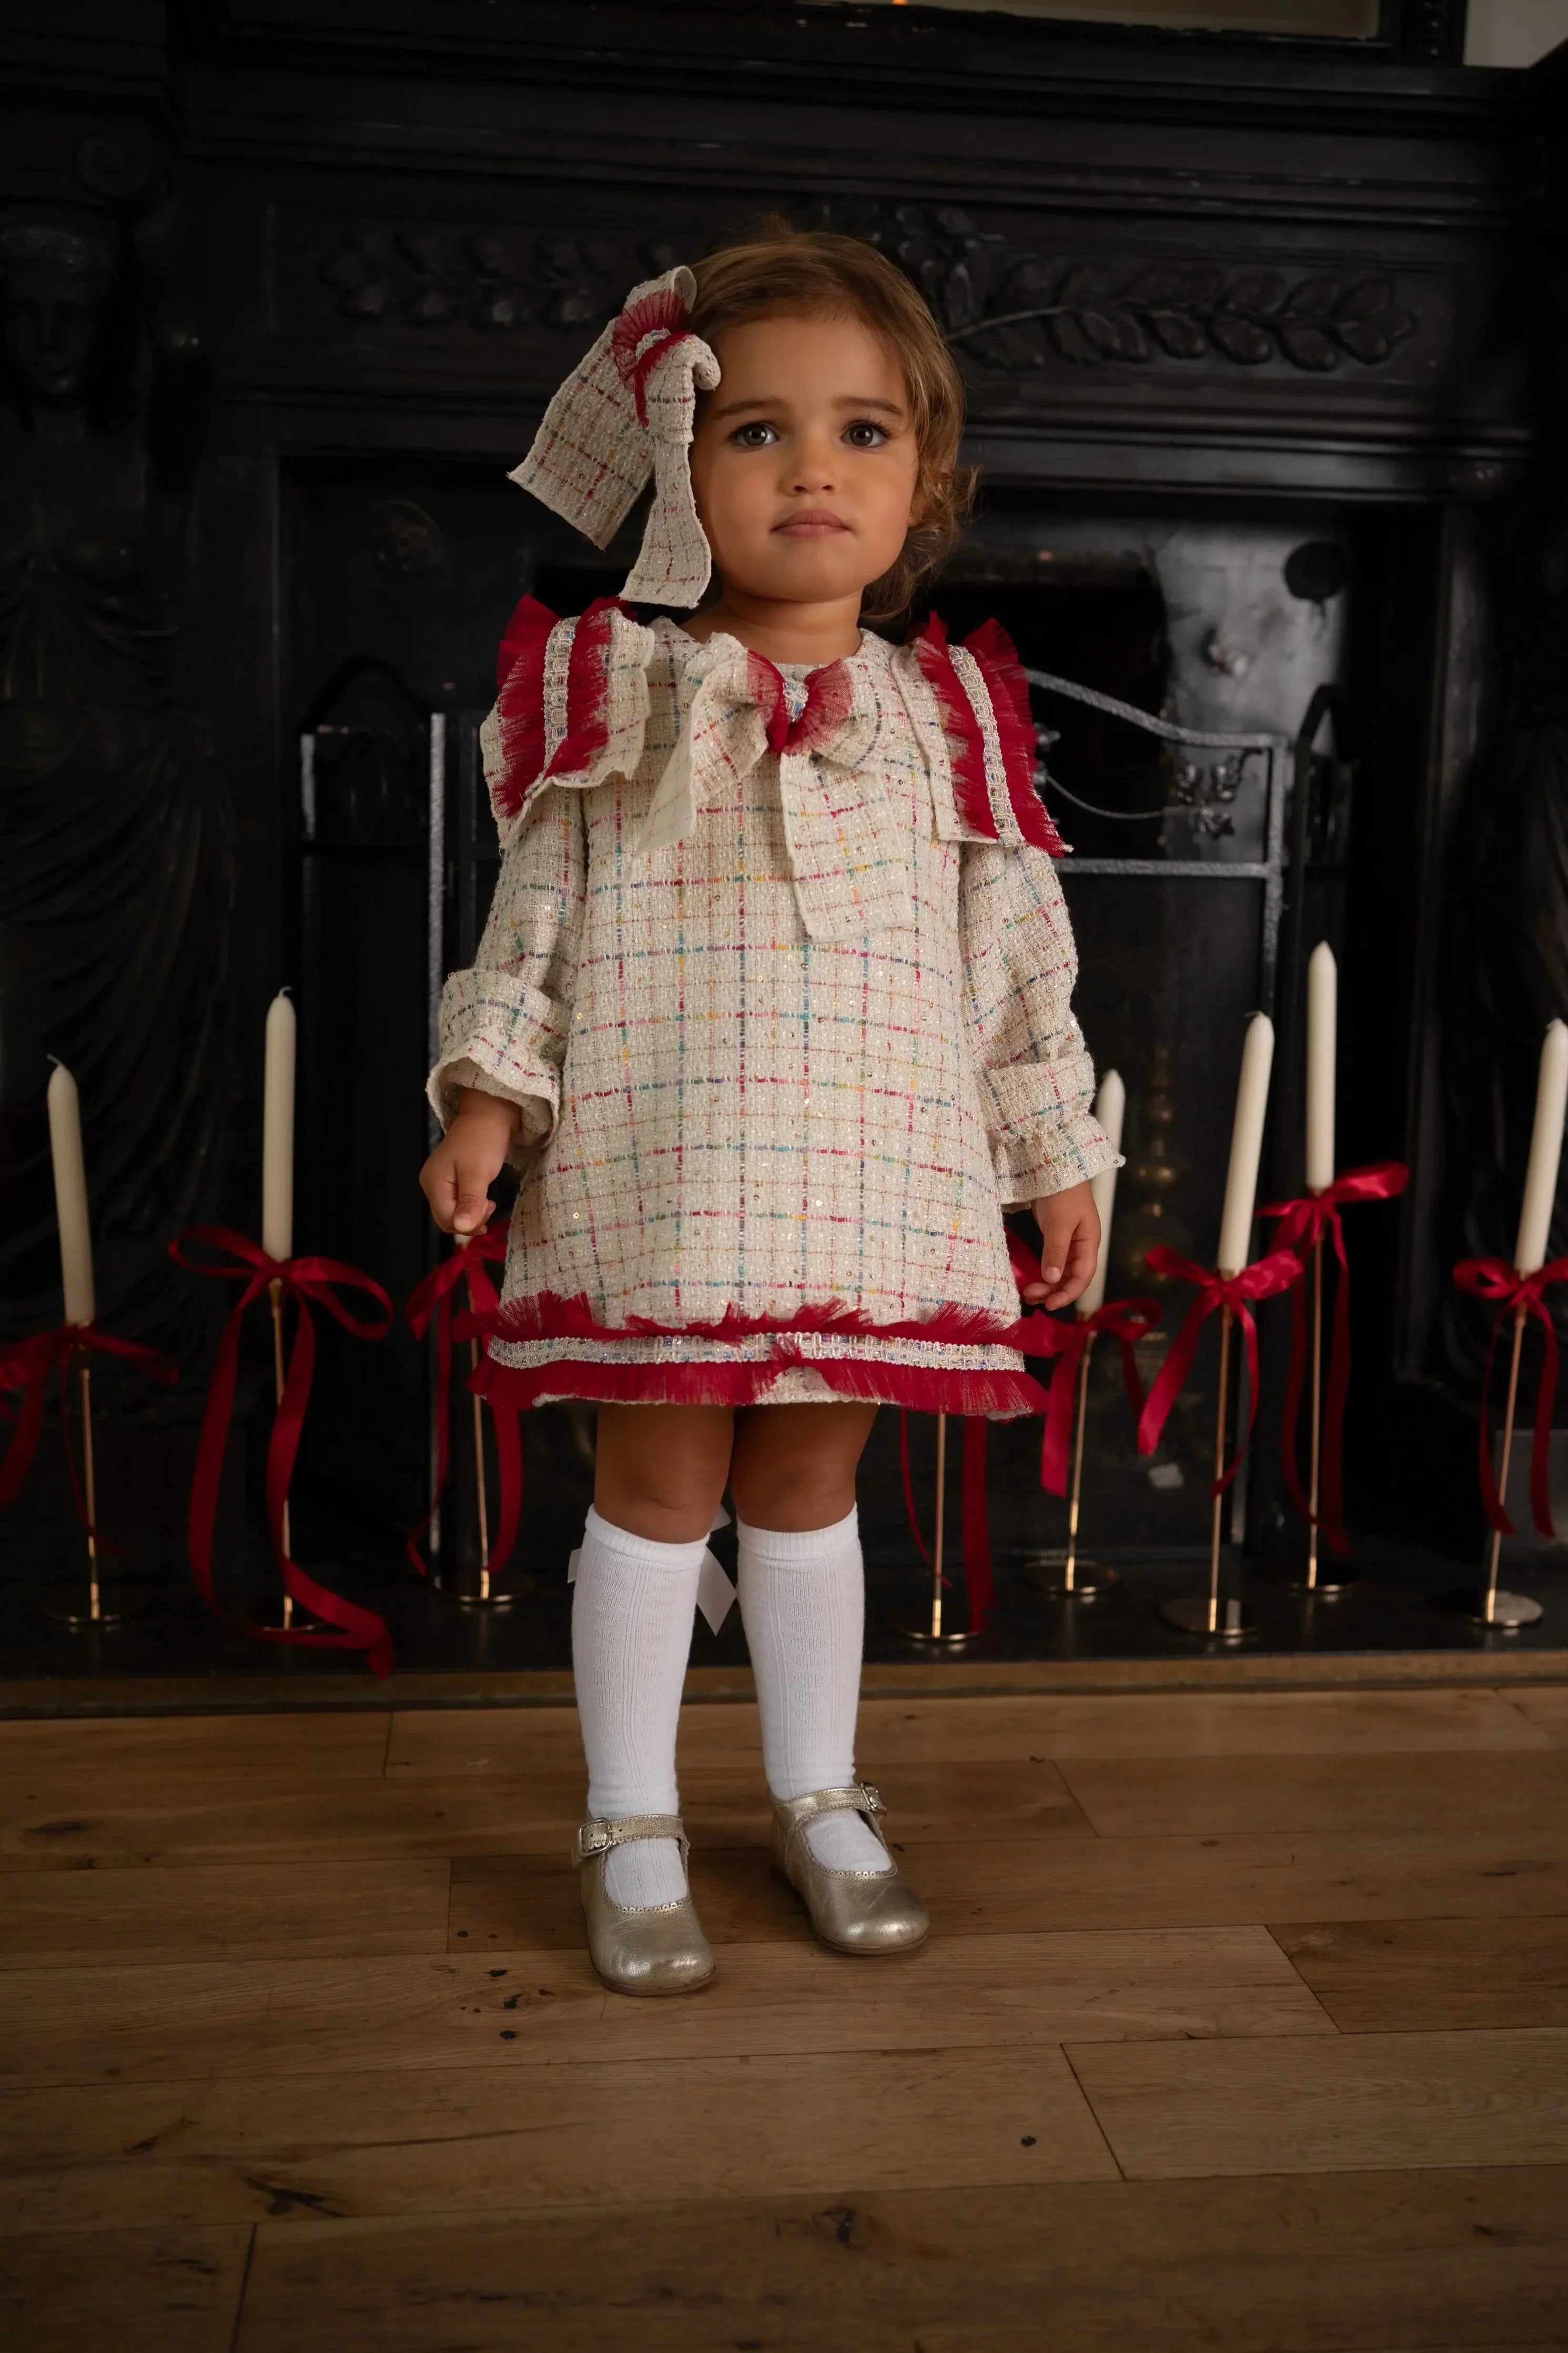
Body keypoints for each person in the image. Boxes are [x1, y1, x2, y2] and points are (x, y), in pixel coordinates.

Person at [420, 226, 1116, 1996]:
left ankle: (817, 1789)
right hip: (666, 1158)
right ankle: (630, 1818)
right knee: (658, 1481)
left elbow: (1017, 956)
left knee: (812, 1476)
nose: (814, 465)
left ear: (925, 481)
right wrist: (490, 1104)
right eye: (756, 432)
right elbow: (541, 921)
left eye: (865, 432)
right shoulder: (615, 696)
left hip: (874, 1166)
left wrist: (1054, 1155)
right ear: (677, 470)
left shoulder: (949, 715)